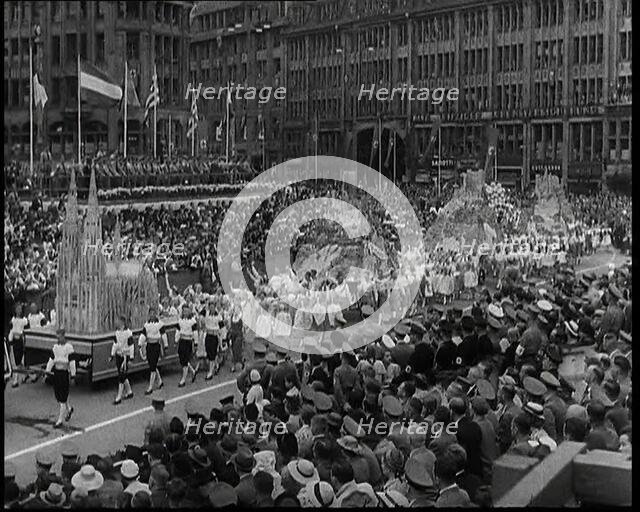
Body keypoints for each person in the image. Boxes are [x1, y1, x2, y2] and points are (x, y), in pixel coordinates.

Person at [45, 329, 76, 427]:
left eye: (59, 336)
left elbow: (72, 362)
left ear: (63, 336)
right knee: (59, 395)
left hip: (64, 374)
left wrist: (73, 375)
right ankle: (69, 409)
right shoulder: (55, 347)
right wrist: (47, 371)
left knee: (62, 397)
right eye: (56, 337)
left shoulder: (69, 347)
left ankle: (60, 420)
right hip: (56, 373)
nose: (58, 338)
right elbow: (51, 360)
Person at [138, 311, 168, 395]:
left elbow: (164, 335)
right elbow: (143, 335)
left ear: (155, 314)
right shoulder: (146, 325)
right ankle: (160, 381)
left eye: (153, 314)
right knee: (152, 364)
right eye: (150, 314)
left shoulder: (160, 324)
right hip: (149, 345)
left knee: (153, 366)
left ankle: (150, 387)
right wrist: (140, 344)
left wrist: (165, 345)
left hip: (156, 345)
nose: (152, 315)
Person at [109, 316, 134, 405]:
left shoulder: (128, 333)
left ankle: (118, 396)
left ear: (122, 323)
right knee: (122, 374)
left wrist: (131, 358)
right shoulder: (117, 333)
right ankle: (129, 391)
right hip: (119, 355)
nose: (116, 322)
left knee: (121, 376)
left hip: (125, 356)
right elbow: (115, 344)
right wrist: (112, 355)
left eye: (118, 321)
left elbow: (131, 346)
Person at [176, 305, 199, 387]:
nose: (185, 313)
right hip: (182, 340)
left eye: (187, 311)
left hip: (188, 341)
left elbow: (195, 333)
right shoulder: (180, 320)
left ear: (189, 311)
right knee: (182, 359)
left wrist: (196, 343)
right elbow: (178, 330)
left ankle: (183, 379)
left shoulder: (192, 321)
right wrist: (176, 340)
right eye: (184, 311)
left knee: (185, 360)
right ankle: (192, 371)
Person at [8, 304, 28, 388]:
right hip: (15, 341)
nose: (19, 310)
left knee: (18, 361)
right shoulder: (13, 319)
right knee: (17, 361)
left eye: (20, 309)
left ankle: (18, 378)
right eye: (17, 309)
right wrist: (10, 339)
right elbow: (11, 330)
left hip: (21, 341)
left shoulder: (24, 320)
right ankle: (22, 376)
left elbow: (25, 331)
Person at [201, 299, 222, 380]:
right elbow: (200, 313)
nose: (212, 308)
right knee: (209, 351)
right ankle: (216, 365)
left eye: (213, 307)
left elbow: (221, 326)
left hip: (215, 336)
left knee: (212, 354)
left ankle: (210, 372)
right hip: (208, 335)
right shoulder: (206, 314)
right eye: (210, 307)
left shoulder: (218, 315)